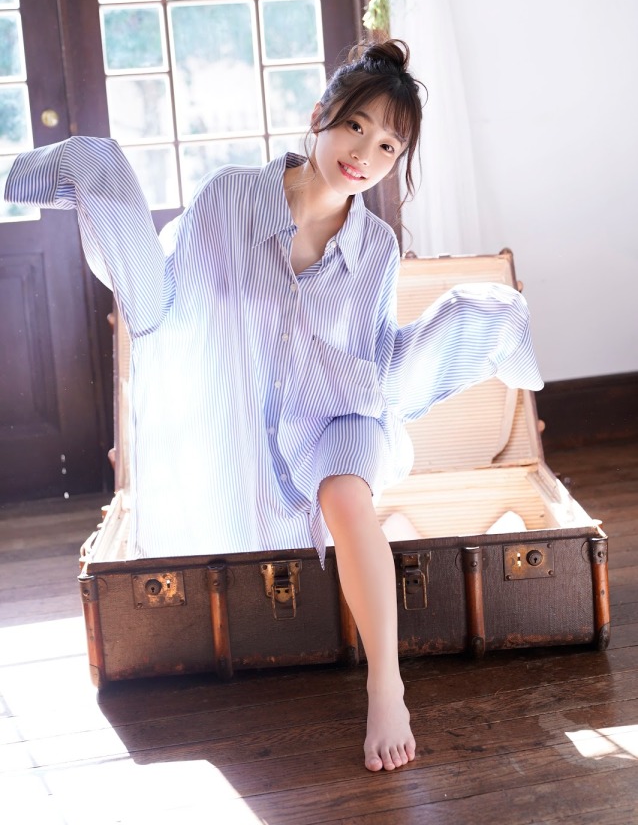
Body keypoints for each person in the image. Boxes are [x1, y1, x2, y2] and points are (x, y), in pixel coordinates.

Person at [5, 38, 543, 772]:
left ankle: (386, 686)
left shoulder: (376, 247)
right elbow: (174, 308)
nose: (365, 155)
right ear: (320, 115)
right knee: (249, 508)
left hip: (335, 407)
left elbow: (371, 351)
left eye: (388, 147)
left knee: (347, 497)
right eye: (355, 127)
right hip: (243, 401)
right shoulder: (229, 197)